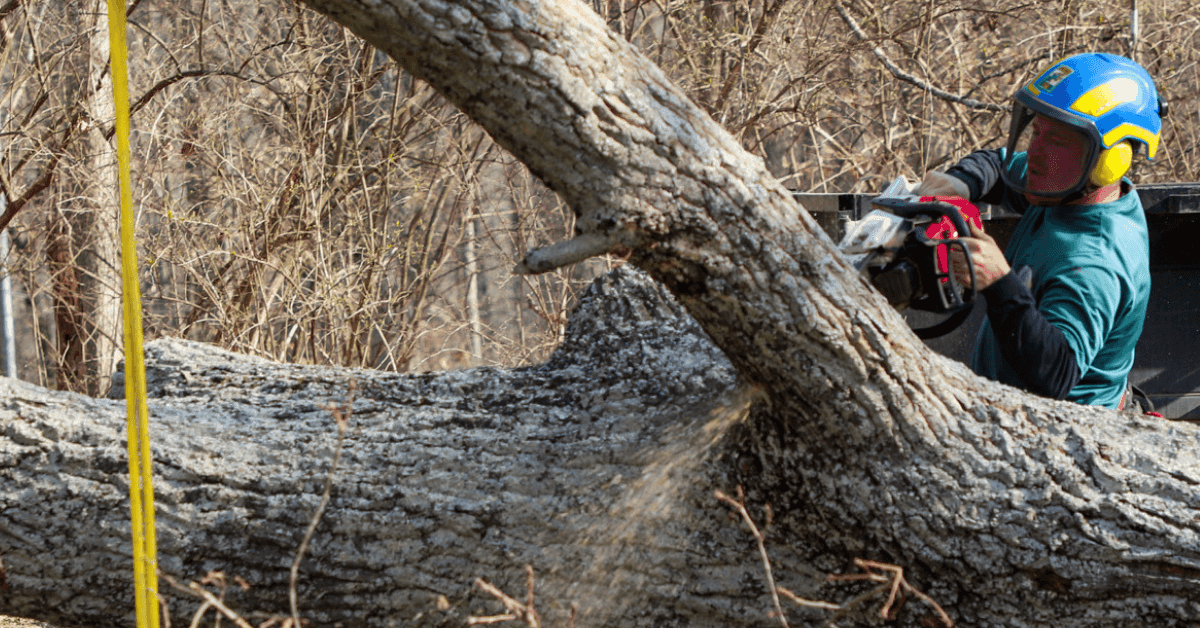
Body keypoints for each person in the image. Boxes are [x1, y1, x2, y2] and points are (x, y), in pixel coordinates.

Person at [914, 52, 1166, 410]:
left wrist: (999, 283)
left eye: (1057, 142)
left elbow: (1056, 375)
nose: (1035, 153)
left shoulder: (1095, 261)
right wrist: (960, 182)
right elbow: (997, 163)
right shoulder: (1067, 188)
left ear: (1110, 162)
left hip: (1070, 437)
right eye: (1036, 132)